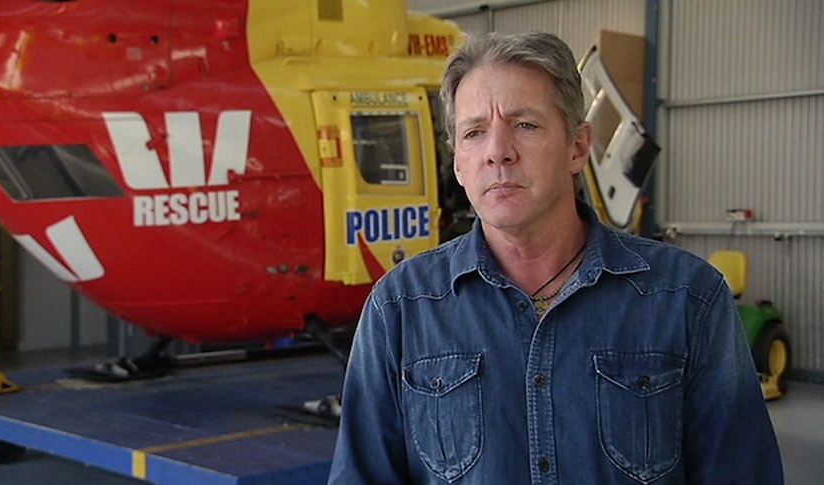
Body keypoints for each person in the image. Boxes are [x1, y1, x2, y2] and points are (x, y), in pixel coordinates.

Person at [328, 31, 783, 484]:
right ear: (458, 164)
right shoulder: (401, 309)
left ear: (578, 147)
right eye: (474, 132)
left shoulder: (687, 299)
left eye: (525, 125)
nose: (498, 152)